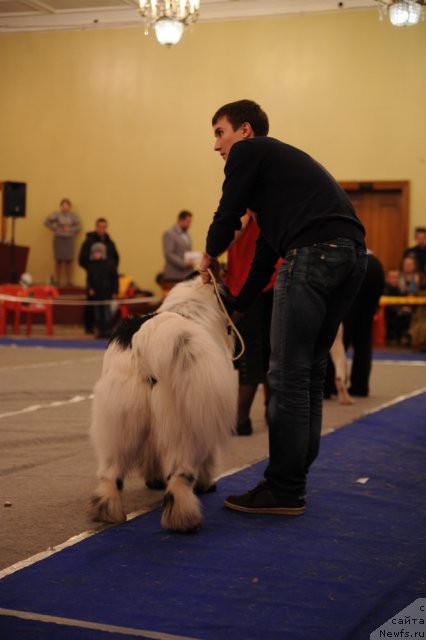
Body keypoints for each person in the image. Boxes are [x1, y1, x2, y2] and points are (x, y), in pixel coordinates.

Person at [199, 99, 366, 516]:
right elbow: (265, 249)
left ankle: (284, 488)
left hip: (313, 254)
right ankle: (293, 480)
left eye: (220, 132)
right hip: (352, 257)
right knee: (309, 372)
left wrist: (208, 253)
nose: (216, 145)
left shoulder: (250, 153)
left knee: (287, 374)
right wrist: (238, 302)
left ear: (245, 131)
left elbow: (228, 211)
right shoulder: (278, 180)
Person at [225, 214, 281, 436]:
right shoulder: (273, 201)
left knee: (249, 351)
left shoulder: (244, 205)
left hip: (249, 282)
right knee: (271, 349)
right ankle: (271, 411)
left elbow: (232, 234)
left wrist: (210, 252)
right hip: (273, 277)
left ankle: (241, 419)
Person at [341, 251, 385, 397]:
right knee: (364, 340)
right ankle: (360, 387)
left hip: (352, 266)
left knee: (340, 339)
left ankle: (330, 386)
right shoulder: (376, 261)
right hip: (374, 271)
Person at [78, 218, 120, 334]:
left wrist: (109, 269)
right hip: (94, 280)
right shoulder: (89, 241)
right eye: (99, 227)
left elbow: (115, 258)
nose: (101, 229)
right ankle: (90, 327)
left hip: (107, 282)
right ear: (96, 227)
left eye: (104, 227)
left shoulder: (110, 242)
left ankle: (106, 329)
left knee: (106, 309)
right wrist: (92, 268)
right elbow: (82, 259)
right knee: (92, 306)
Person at [44, 198, 80, 286]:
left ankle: (69, 281)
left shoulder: (73, 216)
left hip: (69, 239)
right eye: (63, 205)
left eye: (66, 205)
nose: (65, 207)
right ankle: (57, 280)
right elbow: (46, 222)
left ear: (70, 207)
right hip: (59, 239)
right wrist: (56, 228)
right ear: (60, 206)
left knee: (69, 261)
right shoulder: (56, 215)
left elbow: (79, 226)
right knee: (58, 260)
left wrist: (70, 229)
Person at [86, 242, 118, 339]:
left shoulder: (110, 264)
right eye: (94, 252)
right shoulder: (91, 265)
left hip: (107, 293)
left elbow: (114, 279)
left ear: (103, 252)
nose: (96, 254)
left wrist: (114, 291)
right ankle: (100, 331)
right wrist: (90, 288)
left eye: (98, 252)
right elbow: (89, 279)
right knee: (98, 314)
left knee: (107, 313)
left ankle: (108, 331)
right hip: (96, 294)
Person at [158, 211, 196, 292]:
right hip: (174, 274)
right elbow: (168, 254)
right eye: (188, 222)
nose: (190, 225)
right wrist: (184, 263)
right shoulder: (169, 233)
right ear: (181, 220)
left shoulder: (186, 234)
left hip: (186, 274)